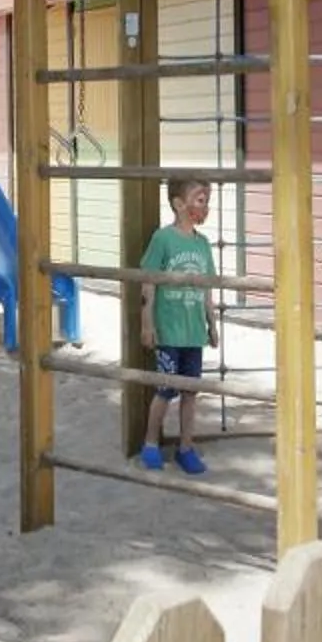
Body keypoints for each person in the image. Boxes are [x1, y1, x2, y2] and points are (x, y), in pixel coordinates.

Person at [137, 176, 218, 474]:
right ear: (178, 204)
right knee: (166, 389)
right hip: (169, 329)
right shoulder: (163, 239)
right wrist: (147, 324)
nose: (205, 206)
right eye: (200, 200)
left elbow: (207, 288)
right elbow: (148, 283)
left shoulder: (203, 244)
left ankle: (185, 447)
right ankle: (149, 442)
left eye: (207, 200)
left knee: (191, 392)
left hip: (193, 332)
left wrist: (212, 324)